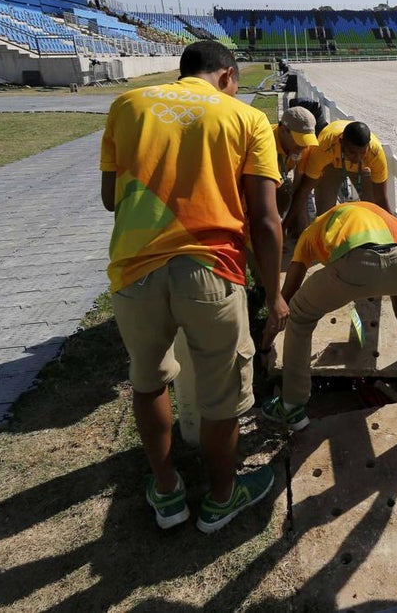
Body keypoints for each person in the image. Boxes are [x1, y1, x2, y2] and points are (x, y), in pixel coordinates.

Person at [100, 40, 288, 533]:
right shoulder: (245, 119)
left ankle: (167, 492)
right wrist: (275, 292)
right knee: (221, 393)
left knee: (148, 380)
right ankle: (222, 499)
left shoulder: (127, 105)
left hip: (135, 268)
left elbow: (108, 197)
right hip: (211, 267)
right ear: (227, 75)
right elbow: (266, 220)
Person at [260, 201, 397, 430]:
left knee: (300, 315)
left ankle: (291, 406)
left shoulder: (311, 232)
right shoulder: (374, 212)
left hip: (356, 263)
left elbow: (285, 297)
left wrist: (265, 346)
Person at [282, 119, 391, 237]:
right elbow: (304, 190)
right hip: (331, 163)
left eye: (362, 153)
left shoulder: (375, 153)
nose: (357, 158)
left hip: (363, 167)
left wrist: (394, 230)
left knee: (371, 210)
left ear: (368, 146)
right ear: (341, 142)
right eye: (352, 152)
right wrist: (284, 227)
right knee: (325, 213)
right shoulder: (324, 148)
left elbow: (381, 199)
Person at [273, 106, 318, 217]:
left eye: (306, 140)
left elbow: (298, 180)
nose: (303, 147)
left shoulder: (304, 146)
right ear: (283, 130)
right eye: (299, 141)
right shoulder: (265, 142)